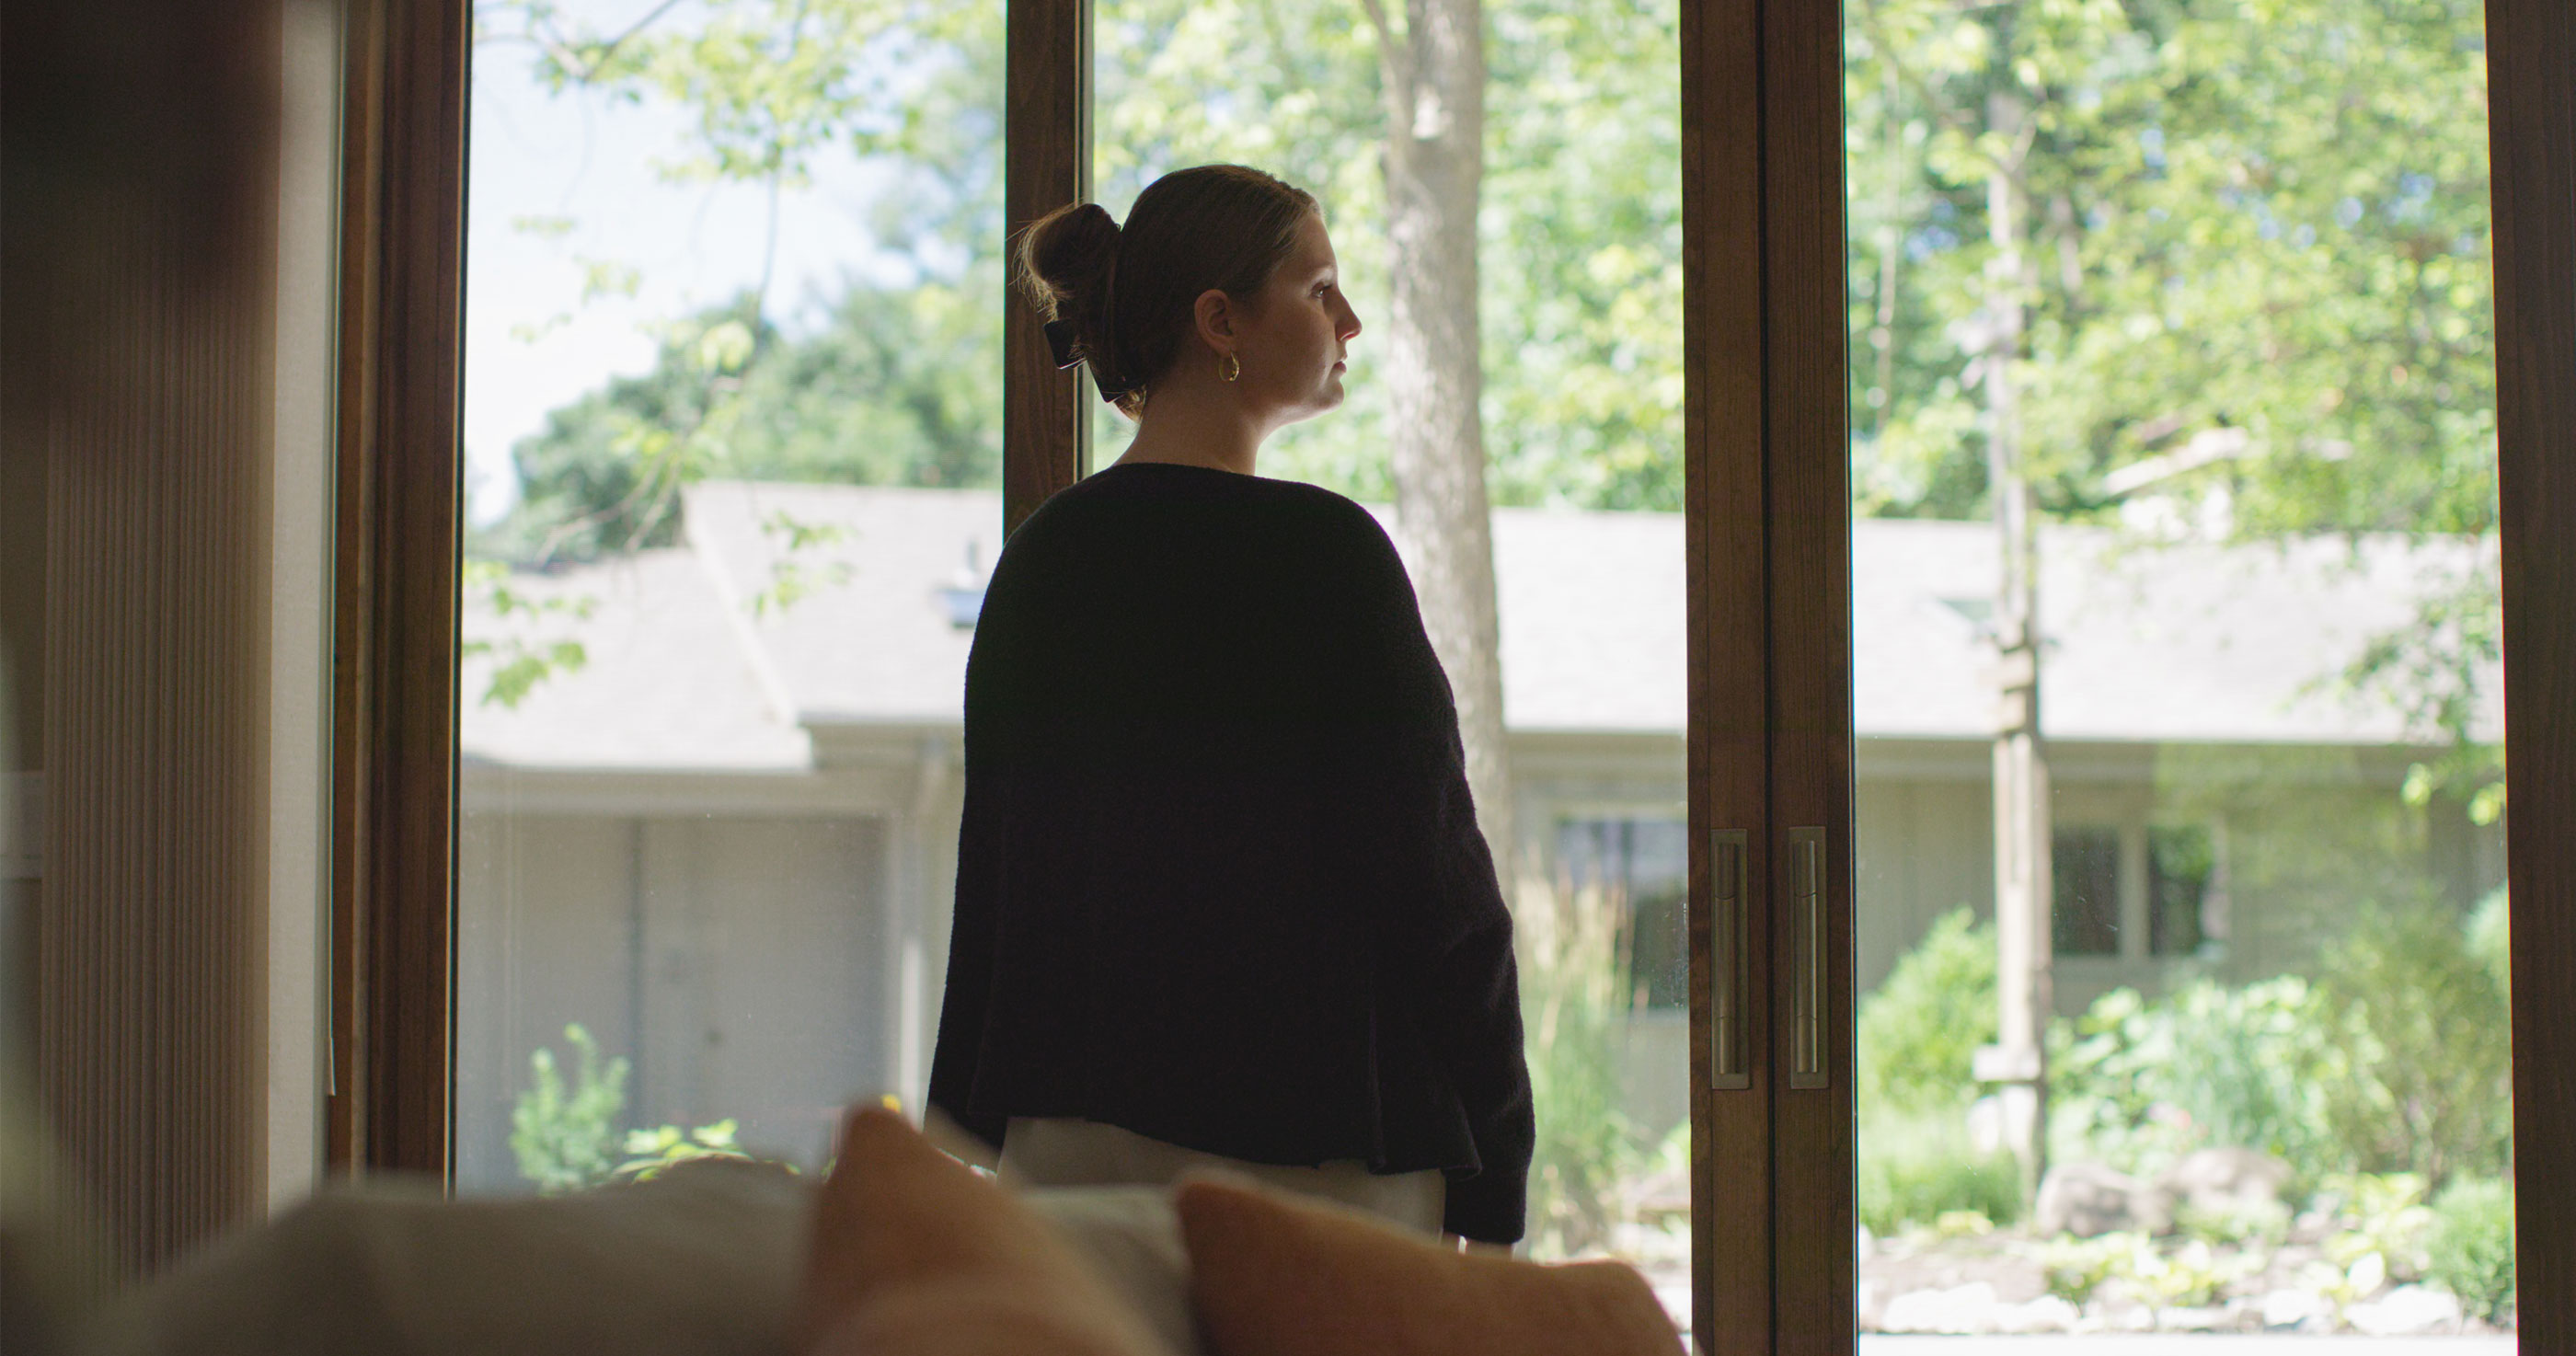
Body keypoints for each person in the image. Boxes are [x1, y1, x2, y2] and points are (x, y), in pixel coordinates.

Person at [927, 164, 1533, 1248]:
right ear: (1221, 321)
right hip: (1319, 1168)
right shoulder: (1325, 553)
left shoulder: (1042, 561)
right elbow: (1434, 884)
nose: (1350, 319)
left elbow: (1005, 868)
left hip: (1071, 1164)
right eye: (1318, 288)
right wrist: (1496, 1161)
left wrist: (974, 1120)